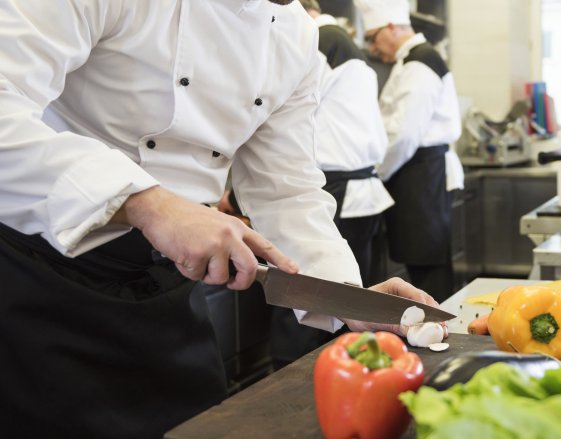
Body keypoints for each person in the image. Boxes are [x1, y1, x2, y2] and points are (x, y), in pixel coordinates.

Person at [0, 1, 440, 437]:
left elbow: (284, 188)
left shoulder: (293, 34)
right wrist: (146, 203)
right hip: (43, 283)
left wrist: (346, 296)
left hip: (168, 289)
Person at [268, 0, 396, 369]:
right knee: (345, 304)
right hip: (360, 191)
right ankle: (346, 373)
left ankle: (296, 383)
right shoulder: (344, 43)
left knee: (301, 298)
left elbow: (277, 121)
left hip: (333, 188)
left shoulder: (317, 39)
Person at [355, 0, 464, 302]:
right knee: (424, 261)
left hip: (419, 172)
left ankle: (440, 333)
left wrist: (376, 172)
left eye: (373, 37)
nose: (374, 48)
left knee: (427, 265)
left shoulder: (420, 62)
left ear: (391, 27)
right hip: (418, 172)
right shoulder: (412, 59)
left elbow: (403, 134)